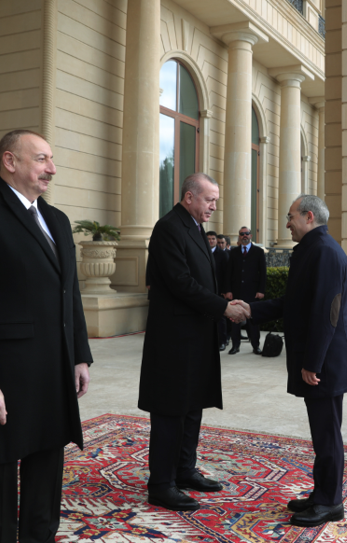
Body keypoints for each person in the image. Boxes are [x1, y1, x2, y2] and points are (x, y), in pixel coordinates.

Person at [0, 129, 93, 543]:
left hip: (51, 373)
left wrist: (79, 356)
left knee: (46, 475)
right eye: (42, 159)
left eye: (52, 160)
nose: (52, 169)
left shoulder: (58, 220)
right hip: (2, 378)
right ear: (11, 161)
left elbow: (69, 295)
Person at [242, 195, 347, 528]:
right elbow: (291, 302)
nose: (287, 223)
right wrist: (250, 309)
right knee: (321, 432)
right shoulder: (312, 249)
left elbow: (328, 313)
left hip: (325, 363)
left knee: (327, 433)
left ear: (309, 216)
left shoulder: (324, 252)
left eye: (291, 216)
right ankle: (321, 492)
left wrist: (313, 363)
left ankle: (330, 502)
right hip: (318, 360)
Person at [138, 173, 250, 512]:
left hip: (196, 336)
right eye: (209, 199)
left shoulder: (195, 227)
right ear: (189, 197)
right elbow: (180, 283)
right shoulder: (168, 227)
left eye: (215, 200)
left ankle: (184, 471)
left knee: (192, 407)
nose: (214, 206)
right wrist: (223, 308)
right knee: (171, 410)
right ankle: (161, 483)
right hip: (174, 339)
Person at [225, 226, 267, 354]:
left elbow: (263, 273)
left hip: (252, 291)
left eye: (247, 233)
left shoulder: (258, 252)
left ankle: (256, 345)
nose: (244, 236)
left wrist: (261, 290)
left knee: (253, 320)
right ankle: (235, 346)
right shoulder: (233, 252)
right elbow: (228, 273)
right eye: (242, 234)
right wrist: (228, 290)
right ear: (239, 236)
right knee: (234, 320)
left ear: (251, 236)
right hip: (236, 291)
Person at [207, 230, 230, 351]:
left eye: (213, 239)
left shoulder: (223, 254)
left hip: (220, 291)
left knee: (221, 316)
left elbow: (227, 274)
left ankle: (222, 341)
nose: (210, 241)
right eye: (208, 239)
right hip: (206, 290)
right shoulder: (202, 252)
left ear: (216, 241)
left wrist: (226, 290)